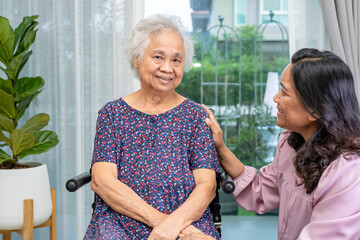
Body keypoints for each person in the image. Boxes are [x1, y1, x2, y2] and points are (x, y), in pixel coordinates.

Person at [84, 14, 221, 240]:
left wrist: (177, 222)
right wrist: (166, 225)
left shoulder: (196, 115)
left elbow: (207, 186)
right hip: (121, 218)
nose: (167, 68)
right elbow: (102, 181)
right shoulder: (111, 114)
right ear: (137, 59)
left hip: (186, 216)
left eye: (176, 60)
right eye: (158, 57)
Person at [204, 48, 360, 239]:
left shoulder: (349, 173)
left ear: (316, 110)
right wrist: (220, 148)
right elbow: (260, 191)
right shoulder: (291, 144)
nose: (275, 98)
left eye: (284, 92)